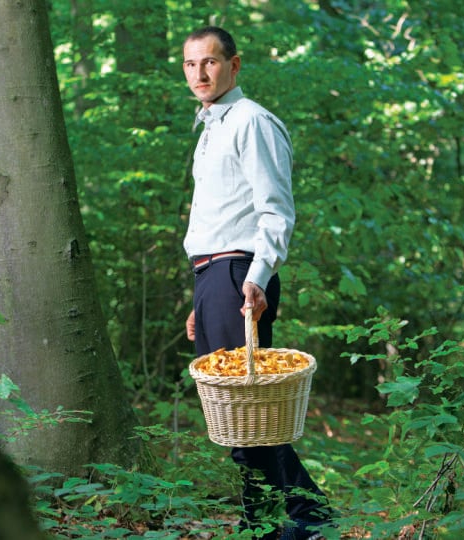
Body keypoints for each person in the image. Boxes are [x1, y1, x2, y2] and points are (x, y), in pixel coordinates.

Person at [181, 26, 334, 540]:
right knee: (235, 418)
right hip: (214, 277)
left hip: (238, 276)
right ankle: (265, 524)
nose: (199, 74)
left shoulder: (251, 121)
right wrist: (201, 295)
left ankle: (310, 519)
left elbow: (275, 210)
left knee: (249, 416)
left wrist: (255, 277)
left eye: (210, 62)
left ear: (234, 65)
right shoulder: (210, 128)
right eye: (190, 64)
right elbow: (220, 216)